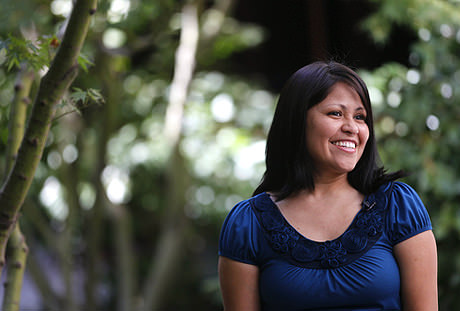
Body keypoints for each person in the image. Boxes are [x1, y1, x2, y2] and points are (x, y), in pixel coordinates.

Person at [218, 61, 438, 311]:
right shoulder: (248, 224)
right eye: (335, 113)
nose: (351, 128)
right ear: (297, 120)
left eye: (360, 117)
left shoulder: (398, 207)